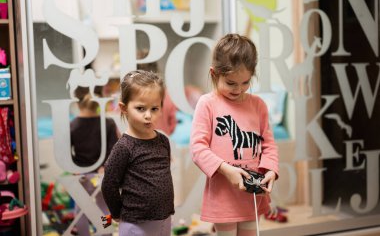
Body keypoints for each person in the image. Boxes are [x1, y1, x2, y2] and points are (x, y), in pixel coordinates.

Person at [190, 33, 279, 236]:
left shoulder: (258, 105)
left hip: (252, 196)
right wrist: (226, 169)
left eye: (245, 82)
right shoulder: (207, 104)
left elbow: (269, 145)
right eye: (231, 83)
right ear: (214, 74)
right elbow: (197, 148)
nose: (238, 89)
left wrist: (271, 171)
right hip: (224, 198)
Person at [101, 70, 174, 236]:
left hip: (164, 219)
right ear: (124, 108)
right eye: (140, 108)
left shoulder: (163, 141)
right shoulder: (124, 146)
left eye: (154, 108)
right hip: (135, 224)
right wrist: (118, 213)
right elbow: (109, 184)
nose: (148, 115)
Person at [70, 86, 121, 236]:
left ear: (77, 103)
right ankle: (106, 233)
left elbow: (66, 153)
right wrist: (105, 167)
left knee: (81, 209)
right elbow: (114, 149)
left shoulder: (72, 126)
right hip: (101, 175)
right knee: (105, 207)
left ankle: (83, 233)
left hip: (82, 175)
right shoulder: (109, 123)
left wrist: (75, 168)